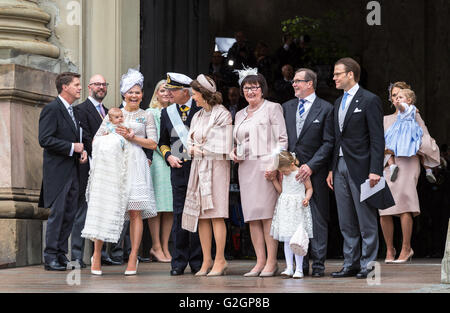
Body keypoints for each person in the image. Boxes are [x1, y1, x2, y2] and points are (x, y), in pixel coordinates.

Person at [326, 58, 394, 279]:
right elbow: (337, 139)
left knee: (366, 219)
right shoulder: (337, 103)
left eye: (338, 74)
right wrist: (331, 169)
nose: (334, 78)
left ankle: (369, 266)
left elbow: (377, 139)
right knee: (346, 220)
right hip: (340, 166)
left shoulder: (369, 99)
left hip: (363, 168)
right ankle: (350, 264)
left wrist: (375, 169)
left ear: (350, 75)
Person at [89, 68, 158, 276]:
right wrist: (113, 137)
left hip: (136, 163)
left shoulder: (146, 116)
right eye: (130, 92)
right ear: (123, 94)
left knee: (135, 212)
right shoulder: (113, 114)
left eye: (138, 92)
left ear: (143, 95)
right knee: (106, 207)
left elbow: (153, 143)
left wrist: (132, 138)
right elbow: (96, 140)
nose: (134, 96)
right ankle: (97, 255)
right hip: (114, 166)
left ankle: (133, 257)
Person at [231, 68, 288, 277]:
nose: (251, 91)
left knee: (267, 216)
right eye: (246, 88)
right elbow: (238, 142)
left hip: (266, 167)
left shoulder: (272, 108)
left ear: (262, 89)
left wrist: (275, 165)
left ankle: (272, 262)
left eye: (254, 87)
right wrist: (233, 152)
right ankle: (259, 261)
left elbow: (282, 140)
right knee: (252, 217)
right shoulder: (239, 114)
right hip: (246, 168)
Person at [380, 81, 440, 264]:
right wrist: (389, 152)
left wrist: (410, 145)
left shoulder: (414, 115)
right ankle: (390, 250)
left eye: (399, 94)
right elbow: (380, 143)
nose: (396, 98)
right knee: (384, 209)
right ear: (391, 99)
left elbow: (425, 138)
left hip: (409, 162)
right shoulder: (385, 119)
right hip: (390, 163)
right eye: (393, 95)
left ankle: (406, 248)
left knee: (406, 203)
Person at [282, 68, 334, 277]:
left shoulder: (326, 108)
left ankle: (319, 264)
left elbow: (329, 142)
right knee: (294, 217)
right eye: (293, 81)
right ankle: (298, 265)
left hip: (316, 172)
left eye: (298, 81)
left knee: (318, 217)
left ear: (310, 83)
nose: (294, 84)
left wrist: (311, 165)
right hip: (290, 173)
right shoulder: (286, 107)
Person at [182, 74, 232, 277]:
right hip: (199, 167)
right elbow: (187, 141)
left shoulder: (223, 114)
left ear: (204, 94)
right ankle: (206, 260)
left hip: (217, 167)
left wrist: (198, 148)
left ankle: (220, 259)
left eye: (195, 94)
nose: (193, 97)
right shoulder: (197, 115)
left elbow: (223, 143)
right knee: (202, 216)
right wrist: (192, 148)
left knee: (216, 214)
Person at [71, 74, 123, 268]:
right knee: (82, 212)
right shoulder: (79, 110)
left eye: (104, 84)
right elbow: (83, 137)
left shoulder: (111, 112)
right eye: (97, 84)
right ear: (89, 87)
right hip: (89, 166)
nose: (101, 87)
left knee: (104, 210)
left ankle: (100, 255)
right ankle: (76, 255)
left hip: (108, 169)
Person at [38, 72, 88, 271]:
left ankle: (60, 254)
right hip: (57, 173)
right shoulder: (52, 109)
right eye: (76, 84)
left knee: (69, 214)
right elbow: (45, 139)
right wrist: (71, 147)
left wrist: (81, 152)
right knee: (57, 214)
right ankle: (50, 256)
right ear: (64, 87)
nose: (79, 88)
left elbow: (76, 140)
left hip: (73, 170)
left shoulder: (73, 111)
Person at [159, 72, 202, 276]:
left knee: (199, 215)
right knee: (179, 215)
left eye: (172, 91)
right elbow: (162, 142)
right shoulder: (168, 113)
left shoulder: (200, 108)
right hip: (179, 170)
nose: (168, 94)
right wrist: (169, 157)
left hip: (199, 169)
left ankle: (198, 260)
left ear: (185, 92)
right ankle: (178, 261)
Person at [81, 108, 131, 275]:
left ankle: (122, 254)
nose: (120, 119)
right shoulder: (104, 135)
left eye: (121, 116)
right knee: (100, 214)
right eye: (116, 117)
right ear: (109, 119)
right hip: (104, 180)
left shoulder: (127, 130)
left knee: (122, 216)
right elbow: (96, 144)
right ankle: (96, 255)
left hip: (122, 176)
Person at [268, 151, 313, 279]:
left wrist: (307, 198)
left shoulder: (301, 173)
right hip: (286, 209)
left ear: (292, 164)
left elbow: (309, 188)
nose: (283, 173)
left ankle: (299, 269)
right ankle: (289, 267)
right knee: (287, 240)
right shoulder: (284, 175)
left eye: (284, 171)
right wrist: (274, 181)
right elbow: (282, 191)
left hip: (297, 209)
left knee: (297, 240)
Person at [146, 80, 173, 263]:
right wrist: (167, 155)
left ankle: (165, 246)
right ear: (156, 93)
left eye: (168, 90)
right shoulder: (151, 112)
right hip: (158, 160)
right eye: (162, 90)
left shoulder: (175, 112)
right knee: (157, 206)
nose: (165, 93)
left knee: (169, 207)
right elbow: (152, 139)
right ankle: (155, 246)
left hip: (173, 160)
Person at [384, 88, 436, 183]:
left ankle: (392, 166)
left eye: (400, 97)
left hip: (402, 130)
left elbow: (402, 108)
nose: (397, 99)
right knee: (420, 149)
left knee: (388, 144)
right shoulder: (413, 108)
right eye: (396, 97)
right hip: (412, 130)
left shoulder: (403, 106)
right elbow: (416, 110)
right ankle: (428, 170)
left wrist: (398, 104)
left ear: (408, 100)